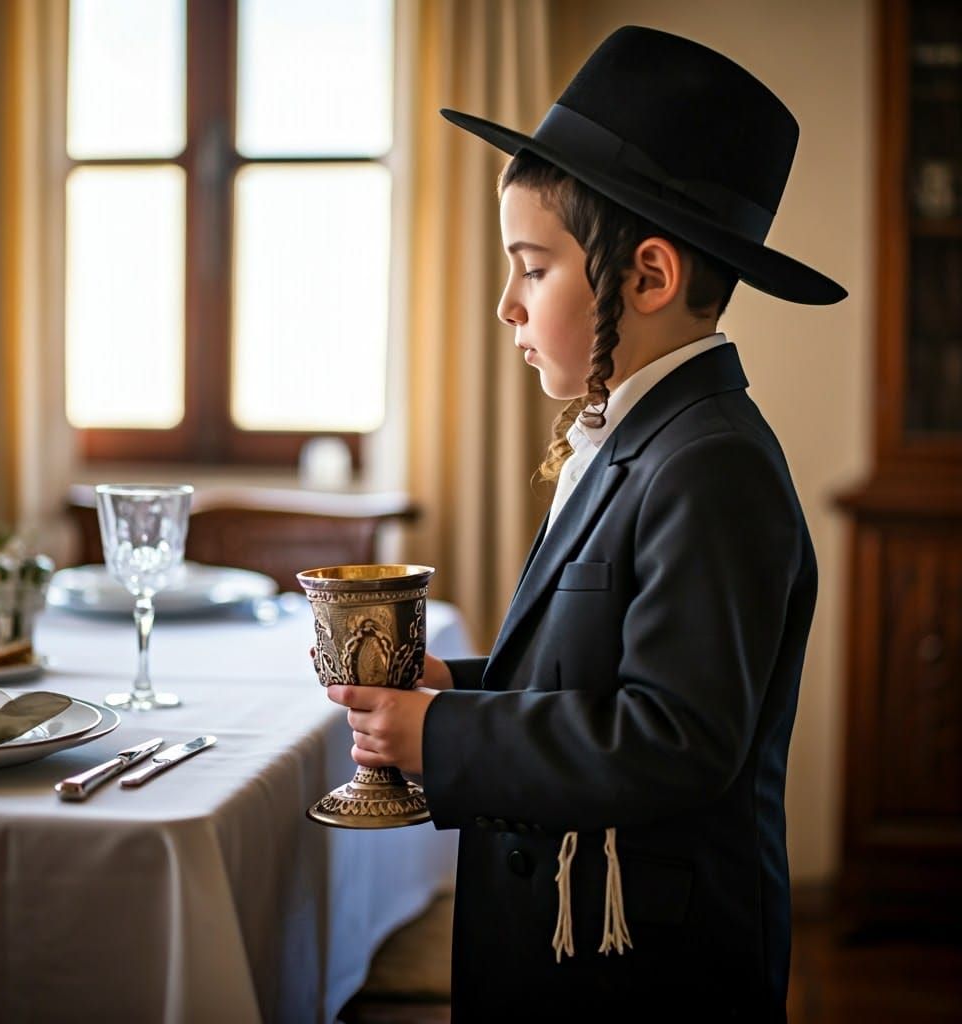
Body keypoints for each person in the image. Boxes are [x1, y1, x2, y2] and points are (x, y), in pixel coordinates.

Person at [325, 25, 846, 1022]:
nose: (504, 305)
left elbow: (671, 735)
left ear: (645, 277)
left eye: (531, 267)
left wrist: (444, 736)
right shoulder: (634, 436)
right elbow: (593, 676)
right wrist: (458, 687)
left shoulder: (713, 462)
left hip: (644, 973)